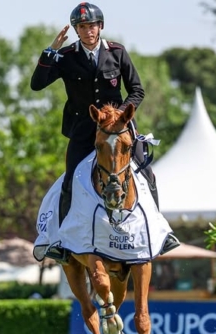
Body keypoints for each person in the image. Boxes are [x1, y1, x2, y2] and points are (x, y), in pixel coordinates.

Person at [30, 2, 179, 261]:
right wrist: (50, 52)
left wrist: (119, 116)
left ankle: (159, 234)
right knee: (69, 181)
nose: (89, 31)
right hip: (83, 130)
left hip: (119, 128)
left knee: (147, 171)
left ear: (101, 26)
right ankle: (62, 242)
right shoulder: (65, 56)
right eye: (83, 27)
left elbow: (137, 90)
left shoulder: (117, 52)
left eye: (92, 26)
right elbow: (36, 85)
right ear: (76, 30)